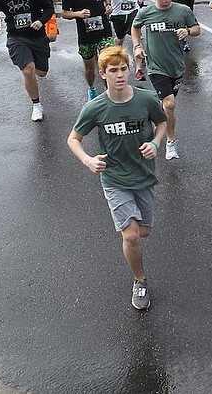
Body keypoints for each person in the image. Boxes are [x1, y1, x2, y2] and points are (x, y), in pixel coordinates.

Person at [67, 46, 168, 311]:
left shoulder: (146, 100)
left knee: (144, 230)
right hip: (114, 179)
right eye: (113, 71)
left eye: (123, 69)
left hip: (144, 175)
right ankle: (140, 280)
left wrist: (156, 144)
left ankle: (134, 239)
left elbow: (162, 123)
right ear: (103, 74)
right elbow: (73, 139)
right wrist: (88, 160)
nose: (120, 75)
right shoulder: (96, 107)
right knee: (132, 235)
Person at [132, 0, 201, 160]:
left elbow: (196, 28)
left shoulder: (182, 11)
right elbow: (135, 27)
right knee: (170, 104)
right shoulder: (146, 12)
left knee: (165, 105)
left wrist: (187, 31)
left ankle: (158, 120)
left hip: (177, 68)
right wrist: (137, 46)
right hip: (156, 67)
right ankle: (171, 141)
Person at [62, 0, 114, 101]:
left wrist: (107, 7)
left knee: (107, 62)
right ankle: (91, 88)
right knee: (90, 68)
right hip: (86, 35)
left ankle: (109, 92)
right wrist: (77, 14)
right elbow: (64, 13)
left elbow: (104, 0)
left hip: (103, 30)